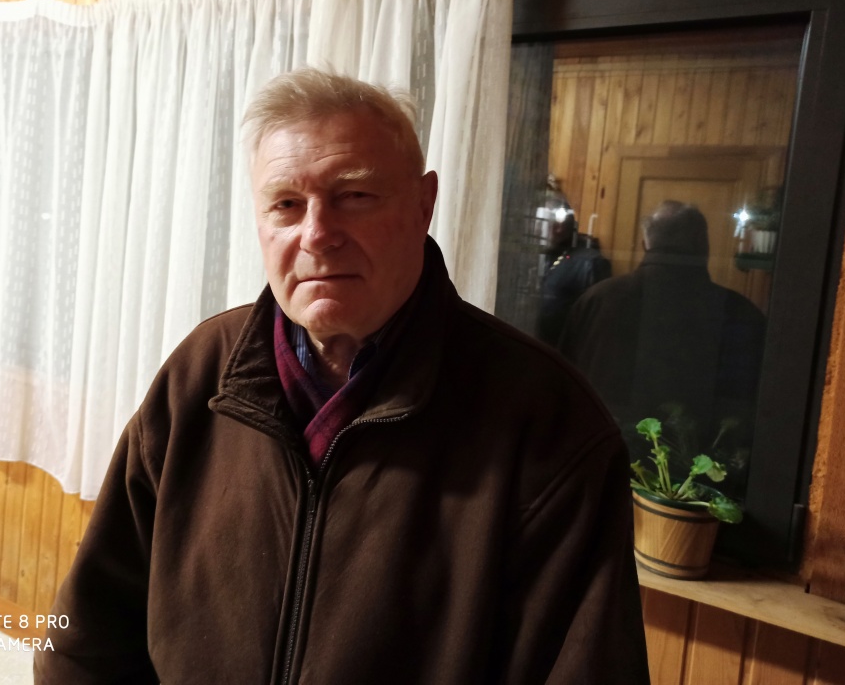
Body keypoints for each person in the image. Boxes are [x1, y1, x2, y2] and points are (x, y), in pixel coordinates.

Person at [34, 68, 650, 684]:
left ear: (424, 204)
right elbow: (86, 639)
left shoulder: (548, 422)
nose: (317, 235)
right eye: (286, 204)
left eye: (354, 196)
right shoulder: (202, 373)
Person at [559, 201, 766, 491]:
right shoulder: (739, 313)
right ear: (703, 244)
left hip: (599, 470)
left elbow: (563, 385)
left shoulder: (598, 300)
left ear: (645, 243)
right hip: (699, 487)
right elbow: (748, 409)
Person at [536, 183, 612, 347]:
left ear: (559, 227)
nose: (537, 229)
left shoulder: (589, 264)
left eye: (543, 223)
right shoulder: (539, 256)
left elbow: (595, 330)